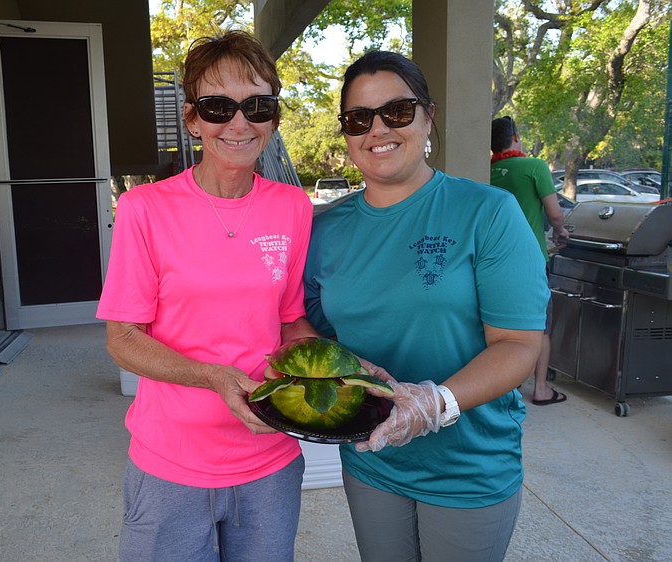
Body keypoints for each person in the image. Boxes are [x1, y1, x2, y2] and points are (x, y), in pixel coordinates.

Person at [303, 50, 550, 562]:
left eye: (396, 111)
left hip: (470, 466)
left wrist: (436, 403)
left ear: (427, 115)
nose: (378, 130)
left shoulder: (488, 213)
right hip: (373, 459)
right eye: (358, 119)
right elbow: (312, 328)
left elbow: (519, 344)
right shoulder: (322, 232)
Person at [96, 30, 319, 561]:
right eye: (218, 107)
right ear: (193, 119)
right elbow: (123, 339)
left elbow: (290, 320)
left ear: (274, 118)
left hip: (271, 455)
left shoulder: (293, 207)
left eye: (256, 105)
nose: (239, 123)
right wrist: (214, 377)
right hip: (171, 463)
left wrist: (337, 367)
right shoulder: (144, 209)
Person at [490, 116, 570, 406]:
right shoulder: (534, 166)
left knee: (495, 322)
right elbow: (556, 214)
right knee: (538, 324)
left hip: (493, 260)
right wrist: (561, 231)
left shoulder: (487, 171)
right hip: (530, 260)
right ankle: (541, 388)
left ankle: (501, 385)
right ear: (515, 137)